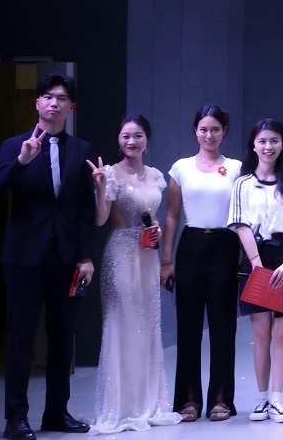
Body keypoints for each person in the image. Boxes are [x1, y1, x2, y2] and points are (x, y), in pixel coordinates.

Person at [0, 74, 98, 440]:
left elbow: (83, 209)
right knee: (21, 338)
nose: (54, 103)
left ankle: (56, 413)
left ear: (71, 107)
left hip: (66, 258)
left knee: (63, 338)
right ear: (37, 103)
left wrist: (85, 256)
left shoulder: (80, 149)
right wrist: (20, 162)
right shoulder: (14, 146)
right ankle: (15, 418)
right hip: (24, 258)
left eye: (61, 98)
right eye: (47, 97)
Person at [87, 115, 183, 434]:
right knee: (121, 324)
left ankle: (147, 403)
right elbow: (101, 219)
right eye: (126, 136)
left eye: (138, 135)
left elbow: (153, 216)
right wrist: (101, 188)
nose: (132, 141)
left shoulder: (155, 175)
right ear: (118, 140)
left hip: (147, 254)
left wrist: (155, 232)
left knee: (148, 326)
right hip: (121, 253)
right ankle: (120, 407)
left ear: (147, 139)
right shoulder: (110, 173)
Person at [228, 119, 283, 423]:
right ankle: (261, 398)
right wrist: (255, 262)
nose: (268, 146)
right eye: (263, 141)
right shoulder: (242, 183)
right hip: (256, 258)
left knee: (281, 333)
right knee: (261, 334)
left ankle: (278, 399)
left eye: (274, 140)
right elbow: (240, 224)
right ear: (253, 145)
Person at [163, 105, 242, 423]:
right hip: (191, 246)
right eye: (204, 129)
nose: (209, 135)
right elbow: (171, 216)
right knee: (189, 329)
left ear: (225, 131)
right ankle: (188, 400)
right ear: (195, 131)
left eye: (215, 129)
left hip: (225, 246)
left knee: (224, 328)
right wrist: (166, 260)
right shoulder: (180, 168)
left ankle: (221, 399)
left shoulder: (236, 168)